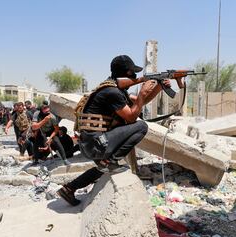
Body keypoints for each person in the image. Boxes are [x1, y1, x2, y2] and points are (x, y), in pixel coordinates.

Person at [57, 55, 170, 206]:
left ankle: (70, 188)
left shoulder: (112, 89)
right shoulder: (112, 92)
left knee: (102, 168)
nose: (136, 77)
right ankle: (110, 161)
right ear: (126, 73)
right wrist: (142, 93)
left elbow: (141, 102)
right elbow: (131, 117)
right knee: (141, 126)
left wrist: (158, 87)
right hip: (96, 144)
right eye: (133, 74)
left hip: (92, 143)